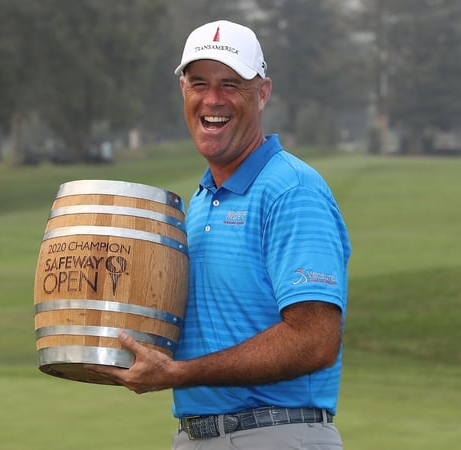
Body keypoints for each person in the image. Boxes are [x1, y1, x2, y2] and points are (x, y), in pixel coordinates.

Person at [89, 19, 351, 449]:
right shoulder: (200, 200)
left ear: (262, 92)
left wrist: (179, 374)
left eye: (231, 84)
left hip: (277, 434)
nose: (213, 99)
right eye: (199, 83)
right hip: (196, 436)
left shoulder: (292, 190)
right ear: (183, 91)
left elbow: (315, 340)